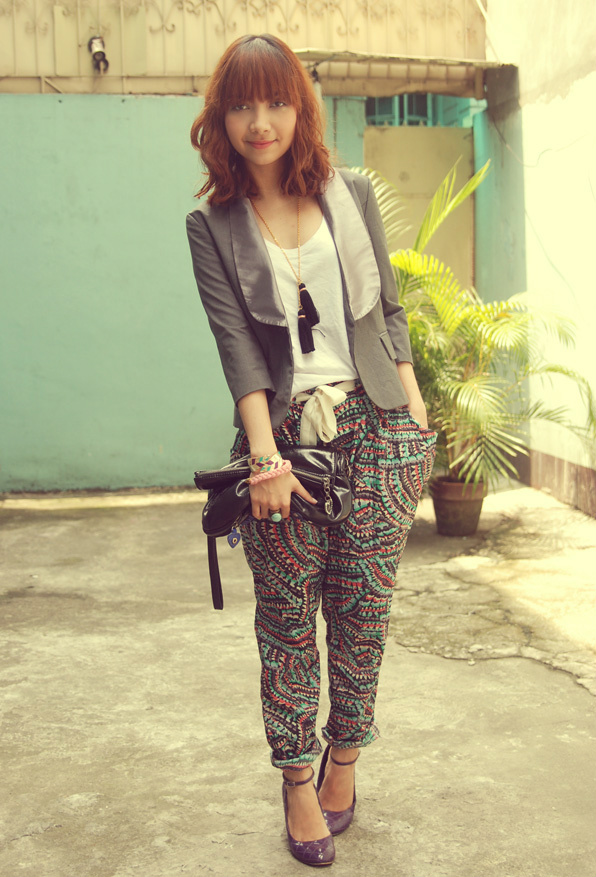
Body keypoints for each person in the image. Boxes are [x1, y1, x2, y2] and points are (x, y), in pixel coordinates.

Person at [186, 33, 436, 867]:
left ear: (301, 109)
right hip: (285, 439)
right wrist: (265, 458)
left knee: (363, 610)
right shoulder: (211, 223)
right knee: (288, 619)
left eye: (276, 102)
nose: (261, 121)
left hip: (381, 424)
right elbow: (236, 344)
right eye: (243, 105)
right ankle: (296, 778)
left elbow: (387, 308)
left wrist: (413, 407)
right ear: (221, 118)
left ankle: (345, 760)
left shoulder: (349, 192)